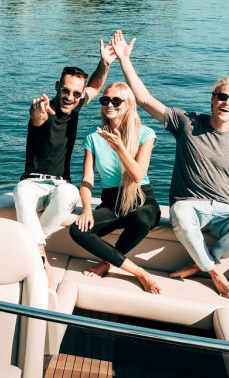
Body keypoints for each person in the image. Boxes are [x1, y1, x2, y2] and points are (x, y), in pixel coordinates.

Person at [110, 30, 229, 299]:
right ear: (213, 99)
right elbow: (143, 100)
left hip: (226, 211)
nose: (227, 103)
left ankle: (202, 262)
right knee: (178, 212)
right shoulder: (187, 123)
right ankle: (214, 272)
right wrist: (124, 59)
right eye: (222, 97)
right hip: (189, 205)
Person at [16, 42, 113, 288]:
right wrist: (37, 109)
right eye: (66, 91)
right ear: (58, 87)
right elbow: (36, 116)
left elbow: (95, 85)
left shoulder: (76, 105)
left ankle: (33, 241)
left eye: (75, 94)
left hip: (60, 186)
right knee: (21, 191)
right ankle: (41, 257)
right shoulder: (45, 111)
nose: (70, 97)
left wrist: (105, 63)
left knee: (71, 192)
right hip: (33, 182)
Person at [68, 82, 163, 294]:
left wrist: (119, 147)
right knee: (78, 230)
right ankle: (139, 272)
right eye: (105, 100)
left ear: (128, 104)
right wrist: (86, 210)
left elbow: (138, 175)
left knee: (140, 220)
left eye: (116, 101)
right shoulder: (93, 136)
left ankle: (108, 263)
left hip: (141, 199)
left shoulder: (146, 133)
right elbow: (87, 179)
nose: (109, 105)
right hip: (112, 202)